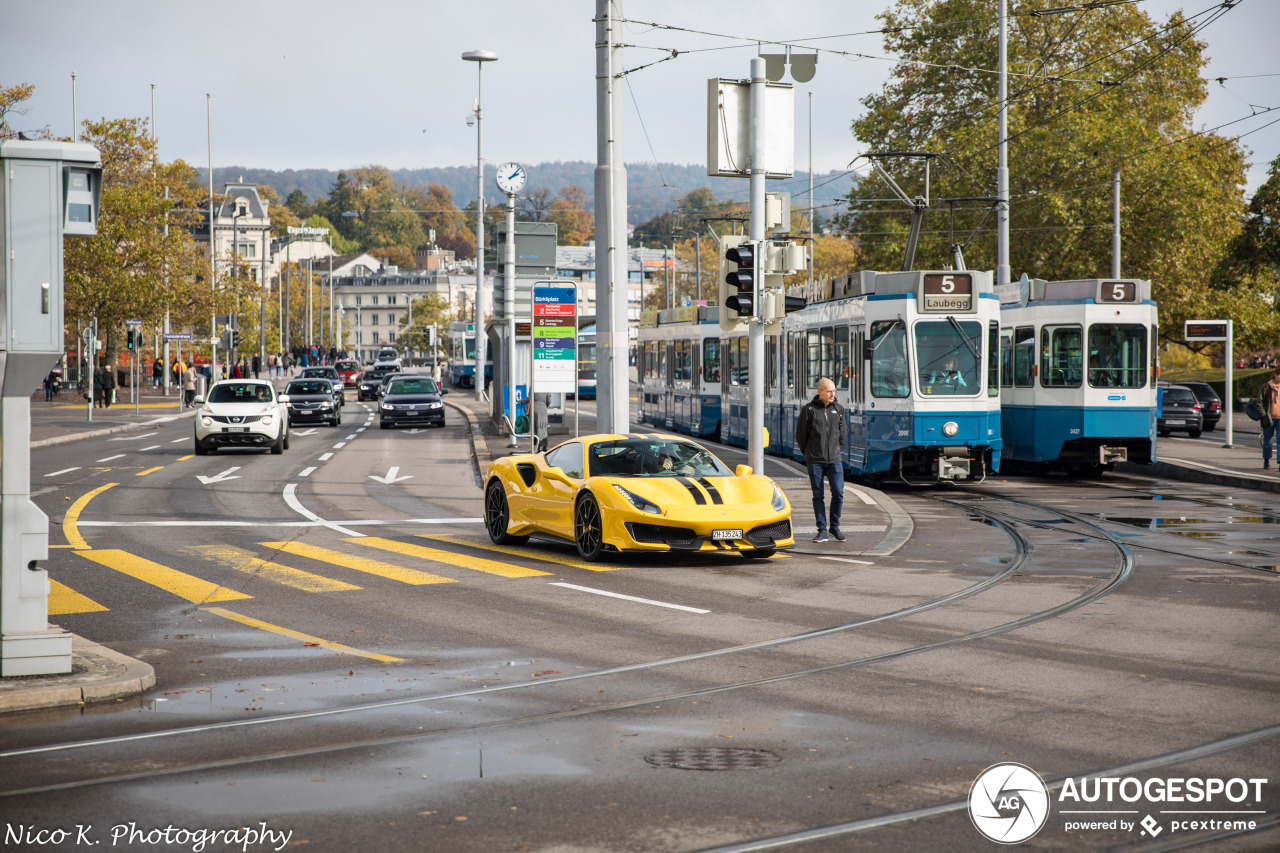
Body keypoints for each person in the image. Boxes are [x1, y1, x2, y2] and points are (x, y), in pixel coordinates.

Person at [795, 377, 846, 542]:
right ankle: (822, 529)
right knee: (818, 496)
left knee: (838, 493)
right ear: (820, 392)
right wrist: (809, 454)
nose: (833, 394)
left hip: (835, 460)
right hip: (815, 461)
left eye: (834, 391)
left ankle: (834, 527)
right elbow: (801, 436)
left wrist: (836, 451)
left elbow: (842, 435)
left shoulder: (838, 409)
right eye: (829, 391)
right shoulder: (809, 410)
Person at [1261, 368, 1280, 470]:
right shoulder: (1266, 387)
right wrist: (1263, 415)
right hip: (1269, 418)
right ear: (1275, 375)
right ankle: (1266, 460)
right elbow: (1259, 402)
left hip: (1279, 418)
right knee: (1268, 441)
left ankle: (1279, 461)